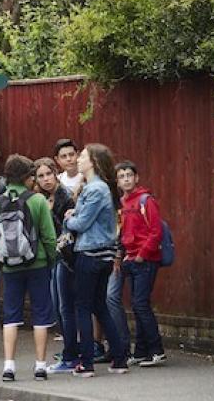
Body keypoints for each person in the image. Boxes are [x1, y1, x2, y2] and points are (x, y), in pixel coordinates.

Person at [0, 154, 57, 382]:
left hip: (10, 267)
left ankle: (9, 366)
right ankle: (40, 366)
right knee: (40, 315)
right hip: (38, 264)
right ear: (27, 177)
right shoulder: (37, 201)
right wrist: (50, 259)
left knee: (11, 316)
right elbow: (49, 237)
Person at [63, 143, 129, 377]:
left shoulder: (95, 189)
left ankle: (87, 363)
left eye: (81, 156)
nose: (78, 160)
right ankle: (120, 359)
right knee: (100, 306)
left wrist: (68, 218)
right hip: (105, 255)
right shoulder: (99, 188)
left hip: (90, 253)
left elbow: (81, 224)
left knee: (82, 306)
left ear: (93, 162)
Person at [114, 160, 167, 367]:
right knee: (137, 306)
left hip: (145, 260)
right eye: (122, 176)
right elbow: (124, 232)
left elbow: (156, 232)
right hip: (131, 259)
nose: (126, 179)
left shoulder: (146, 200)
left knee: (141, 304)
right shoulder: (124, 203)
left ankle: (157, 350)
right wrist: (126, 254)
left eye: (129, 175)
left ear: (136, 178)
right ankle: (142, 351)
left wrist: (142, 254)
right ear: (118, 181)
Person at [34, 157, 81, 374]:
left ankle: (71, 355)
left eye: (48, 174)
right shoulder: (42, 198)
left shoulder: (64, 198)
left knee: (66, 308)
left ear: (55, 174)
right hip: (53, 260)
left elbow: (68, 231)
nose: (46, 180)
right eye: (41, 176)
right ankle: (70, 351)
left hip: (67, 259)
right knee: (59, 308)